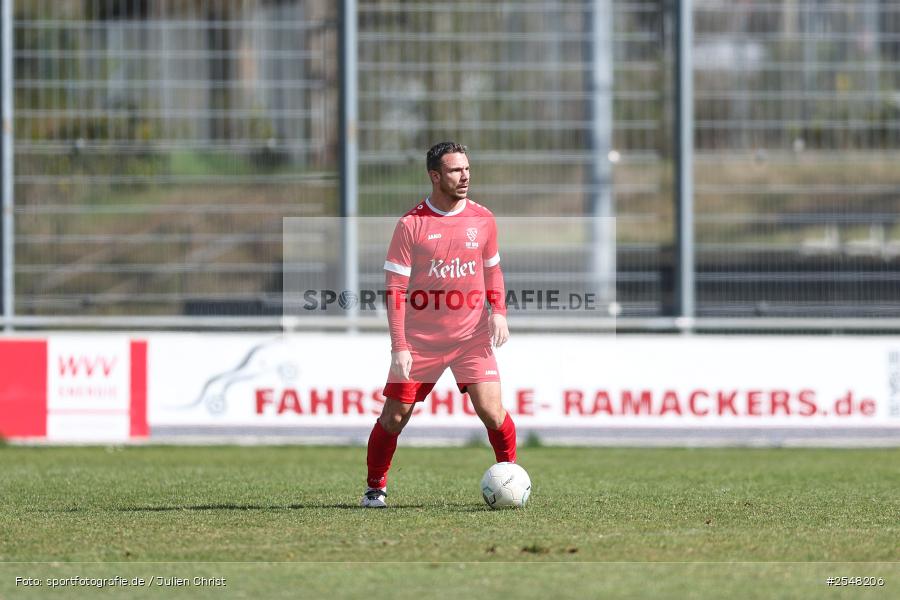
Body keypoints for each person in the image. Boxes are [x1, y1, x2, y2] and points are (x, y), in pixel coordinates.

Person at [361, 141, 516, 508]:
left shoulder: (483, 219)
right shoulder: (411, 225)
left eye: (467, 169)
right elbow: (395, 289)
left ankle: (510, 476)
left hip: (471, 337)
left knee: (493, 412)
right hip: (420, 341)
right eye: (455, 171)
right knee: (394, 417)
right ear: (435, 176)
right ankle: (374, 488)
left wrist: (499, 312)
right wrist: (399, 347)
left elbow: (493, 270)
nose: (464, 177)